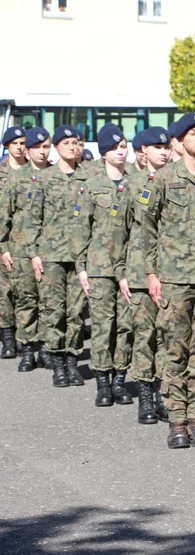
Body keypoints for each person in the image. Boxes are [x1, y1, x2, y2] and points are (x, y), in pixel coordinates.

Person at [142, 113, 195, 448]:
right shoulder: (163, 179)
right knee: (176, 351)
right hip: (174, 278)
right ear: (179, 140)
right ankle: (176, 419)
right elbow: (147, 227)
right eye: (194, 133)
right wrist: (152, 272)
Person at [75, 124, 134, 407]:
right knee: (102, 324)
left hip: (130, 266)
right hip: (99, 266)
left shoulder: (136, 180)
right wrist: (81, 267)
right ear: (103, 153)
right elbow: (81, 228)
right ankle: (102, 381)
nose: (120, 152)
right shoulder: (92, 185)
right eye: (114, 148)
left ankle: (120, 379)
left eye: (123, 146)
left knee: (125, 325)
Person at [117, 126, 170, 425]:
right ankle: (146, 398)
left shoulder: (177, 180)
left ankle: (164, 396)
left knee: (167, 337)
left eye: (166, 147)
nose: (163, 151)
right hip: (139, 274)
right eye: (156, 147)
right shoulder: (131, 186)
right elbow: (119, 231)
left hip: (174, 271)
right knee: (145, 335)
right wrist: (120, 272)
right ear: (143, 152)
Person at [31, 125, 87, 387]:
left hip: (79, 256)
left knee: (75, 312)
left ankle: (72, 360)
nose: (72, 147)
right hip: (51, 254)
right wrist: (34, 254)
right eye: (66, 143)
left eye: (75, 143)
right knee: (54, 310)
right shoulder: (43, 179)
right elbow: (33, 219)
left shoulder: (87, 178)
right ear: (57, 147)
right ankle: (57, 363)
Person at [0, 127, 53, 372]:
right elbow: (4, 215)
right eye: (37, 147)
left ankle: (46, 348)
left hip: (52, 250)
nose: (42, 152)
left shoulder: (56, 176)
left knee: (49, 301)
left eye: (46, 146)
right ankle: (28, 349)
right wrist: (3, 247)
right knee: (26, 300)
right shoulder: (17, 177)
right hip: (20, 248)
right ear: (29, 150)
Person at [0, 126, 27, 358]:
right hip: (5, 241)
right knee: (4, 291)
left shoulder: (35, 172)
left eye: (22, 143)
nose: (20, 147)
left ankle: (24, 336)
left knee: (26, 292)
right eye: (15, 143)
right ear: (7, 146)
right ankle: (8, 338)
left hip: (28, 243)